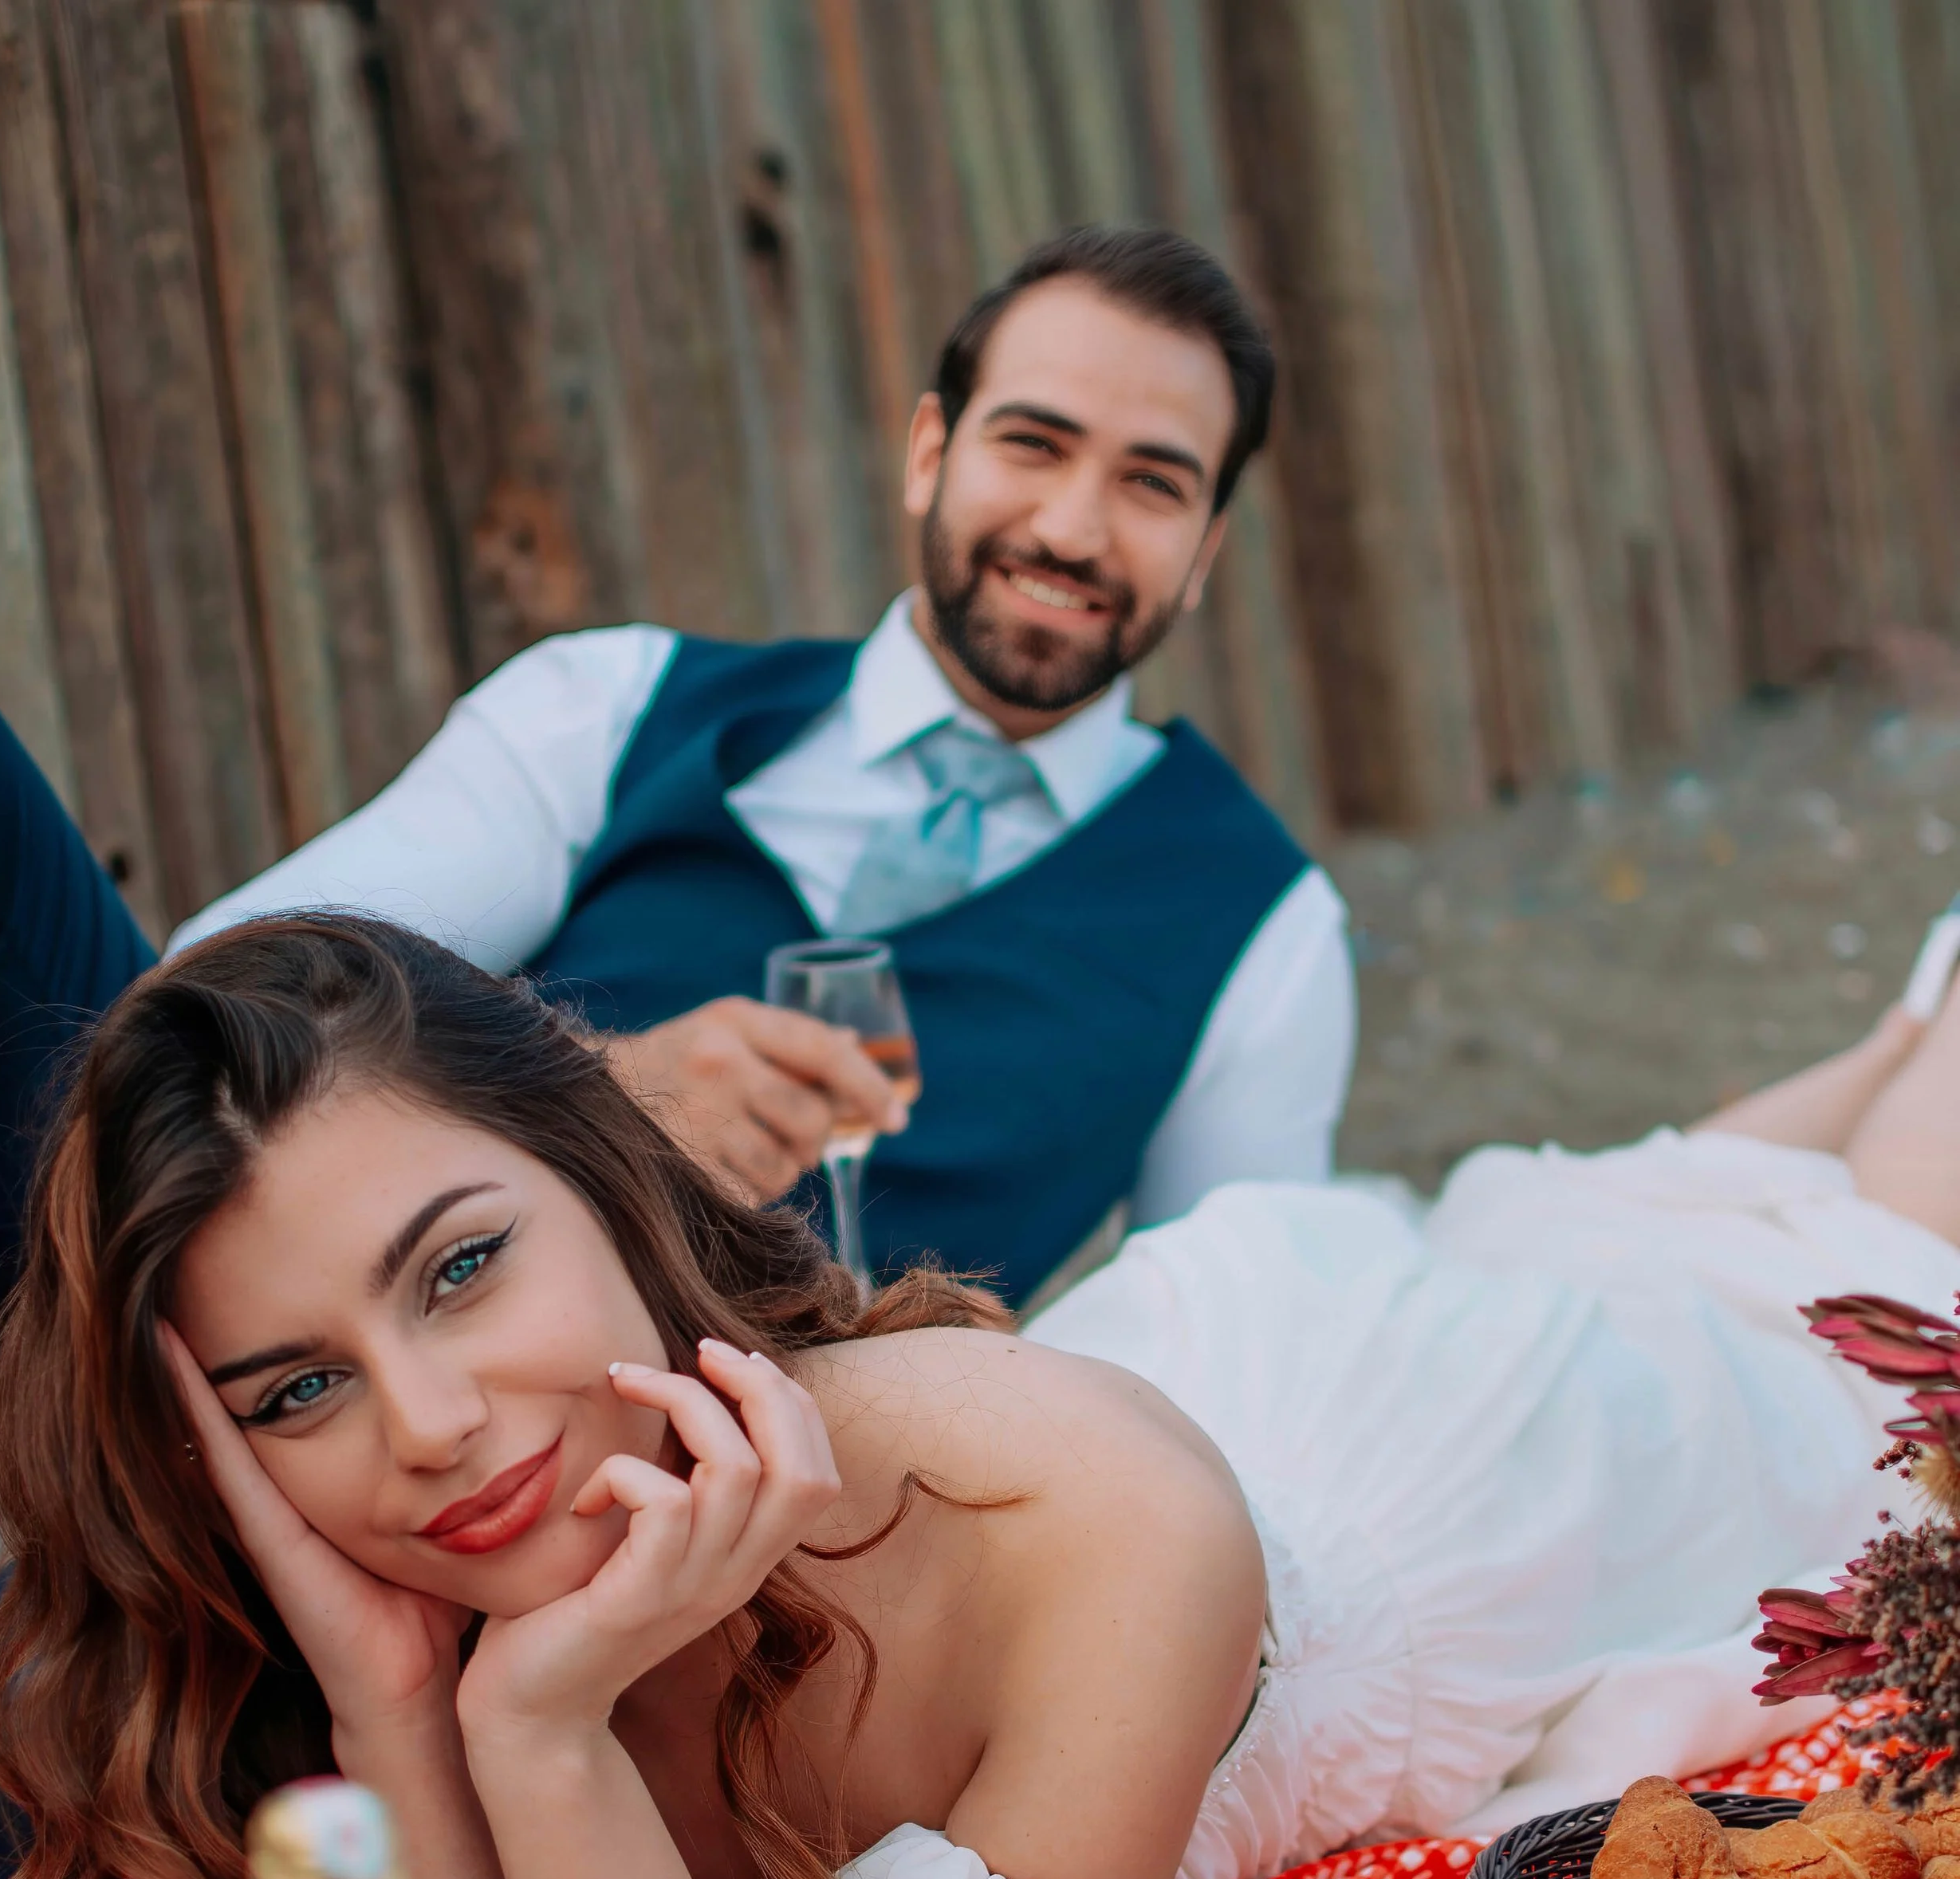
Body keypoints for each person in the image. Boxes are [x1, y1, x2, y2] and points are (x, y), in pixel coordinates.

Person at [0, 914, 1960, 1879]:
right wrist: (425, 1715)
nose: (424, 1425)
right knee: (1623, 1197)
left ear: (600, 1175)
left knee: (1832, 1273)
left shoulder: (1070, 1517)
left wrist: (537, 1745)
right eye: (295, 1388)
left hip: (1478, 1473)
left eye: (463, 1266)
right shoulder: (413, 1637)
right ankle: (1877, 1036)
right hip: (1207, 1374)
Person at [166, 225, 1353, 1308]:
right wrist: (594, 1084)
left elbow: (1229, 1343)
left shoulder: (1265, 928)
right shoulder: (609, 706)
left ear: (1205, 552)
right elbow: (218, 999)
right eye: (1033, 444)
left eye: (1153, 484)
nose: (1072, 530)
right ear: (930, 453)